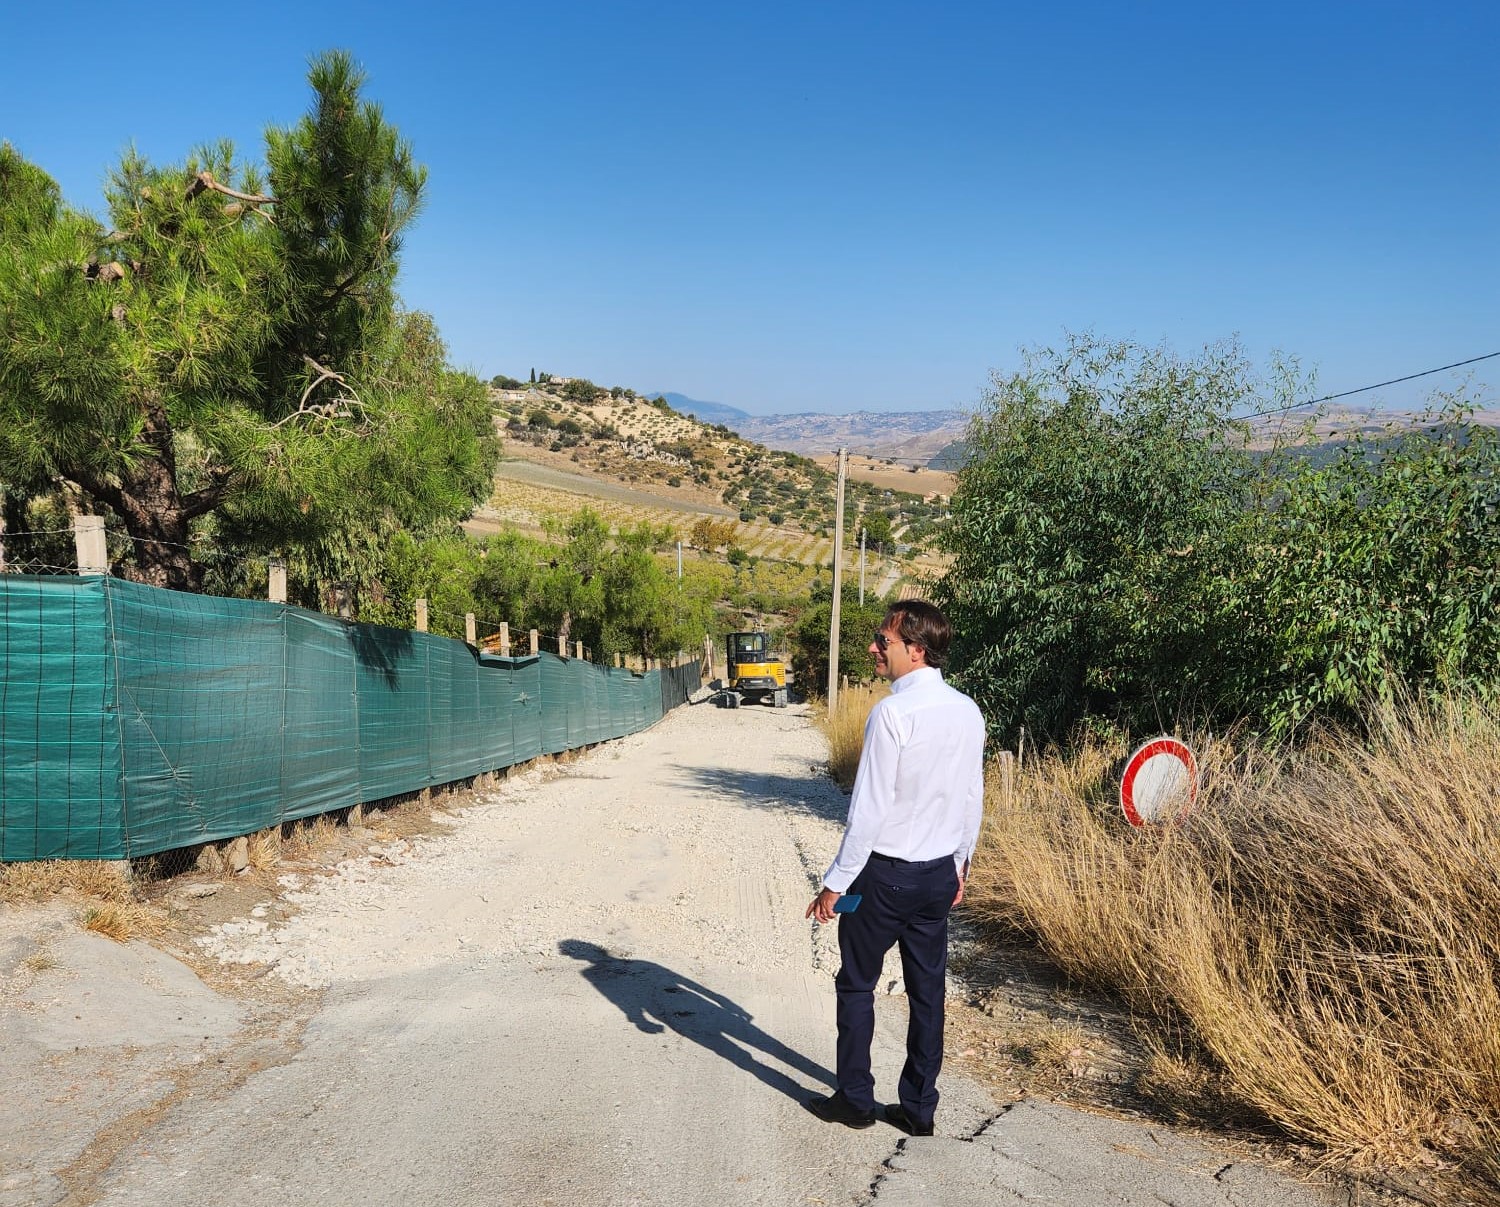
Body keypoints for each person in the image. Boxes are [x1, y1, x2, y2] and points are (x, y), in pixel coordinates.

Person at [803, 599, 985, 1137]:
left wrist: (836, 883)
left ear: (916, 650)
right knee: (928, 993)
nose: (873, 648)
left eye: (883, 641)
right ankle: (918, 1110)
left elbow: (869, 810)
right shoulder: (967, 710)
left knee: (857, 982)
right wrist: (960, 865)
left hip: (884, 876)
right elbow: (972, 797)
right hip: (936, 879)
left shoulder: (893, 713)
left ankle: (856, 1100)